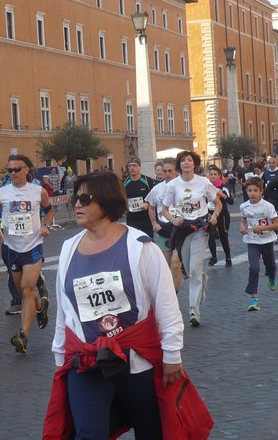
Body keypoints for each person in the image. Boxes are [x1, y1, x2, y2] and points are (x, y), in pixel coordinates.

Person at [44, 172, 195, 439]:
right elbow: (65, 310)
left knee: (151, 432)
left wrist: (172, 355)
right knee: (88, 433)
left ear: (107, 201)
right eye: (75, 198)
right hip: (86, 362)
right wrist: (60, 358)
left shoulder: (140, 247)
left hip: (136, 361)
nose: (76, 204)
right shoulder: (68, 248)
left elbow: (166, 305)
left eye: (84, 198)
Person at [0, 154, 53, 354]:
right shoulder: (2, 193)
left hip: (32, 247)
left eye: (17, 169)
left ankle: (23, 335)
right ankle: (40, 306)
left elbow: (49, 211)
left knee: (26, 289)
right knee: (28, 294)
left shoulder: (38, 192)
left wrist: (45, 225)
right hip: (11, 249)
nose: (13, 173)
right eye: (10, 170)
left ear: (26, 170)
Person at [161, 151, 221, 327]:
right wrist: (173, 220)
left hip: (200, 228)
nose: (186, 163)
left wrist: (215, 216)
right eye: (183, 161)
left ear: (194, 164)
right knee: (188, 268)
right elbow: (164, 209)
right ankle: (202, 279)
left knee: (194, 269)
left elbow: (218, 203)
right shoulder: (173, 185)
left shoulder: (203, 182)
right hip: (182, 229)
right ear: (179, 165)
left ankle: (194, 311)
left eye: (189, 160)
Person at [239, 177, 278, 312]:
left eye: (255, 190)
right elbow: (243, 219)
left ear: (261, 191)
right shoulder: (244, 206)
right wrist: (242, 227)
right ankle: (254, 298)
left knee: (271, 265)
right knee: (254, 268)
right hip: (252, 241)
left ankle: (272, 277)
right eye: (249, 190)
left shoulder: (268, 206)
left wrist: (263, 228)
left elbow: (276, 224)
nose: (252, 193)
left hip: (267, 241)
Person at [146, 157, 182, 291]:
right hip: (163, 228)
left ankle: (175, 293)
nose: (167, 174)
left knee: (176, 264)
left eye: (170, 171)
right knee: (166, 266)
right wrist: (154, 223)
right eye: (165, 171)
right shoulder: (157, 189)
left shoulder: (183, 186)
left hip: (180, 228)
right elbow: (151, 206)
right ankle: (170, 293)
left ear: (176, 171)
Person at [207, 165, 234, 267]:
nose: (213, 176)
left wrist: (223, 195)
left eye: (215, 174)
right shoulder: (207, 187)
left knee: (223, 236)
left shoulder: (224, 187)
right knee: (210, 235)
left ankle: (228, 257)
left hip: (222, 215)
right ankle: (213, 257)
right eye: (211, 174)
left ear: (219, 175)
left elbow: (231, 201)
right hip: (210, 213)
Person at [123, 157, 155, 237]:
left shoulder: (148, 180)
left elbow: (154, 197)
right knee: (133, 240)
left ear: (140, 167)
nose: (132, 168)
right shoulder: (125, 182)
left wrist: (147, 203)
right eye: (129, 166)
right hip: (132, 217)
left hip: (146, 217)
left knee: (148, 240)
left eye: (134, 165)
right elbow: (122, 197)